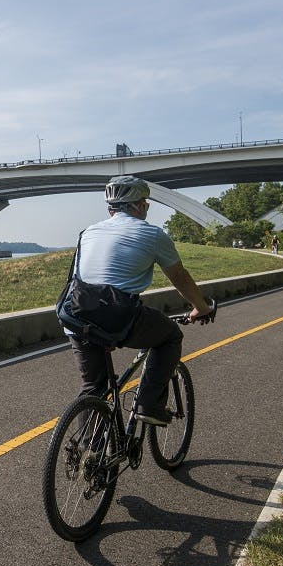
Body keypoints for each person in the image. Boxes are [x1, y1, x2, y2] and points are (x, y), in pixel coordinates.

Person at [63, 176, 214, 426]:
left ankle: (88, 458)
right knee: (170, 336)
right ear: (140, 205)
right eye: (146, 204)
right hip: (116, 315)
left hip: (77, 316)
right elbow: (180, 277)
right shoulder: (152, 234)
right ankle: (149, 405)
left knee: (94, 387)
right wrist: (201, 307)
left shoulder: (87, 232)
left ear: (111, 207)